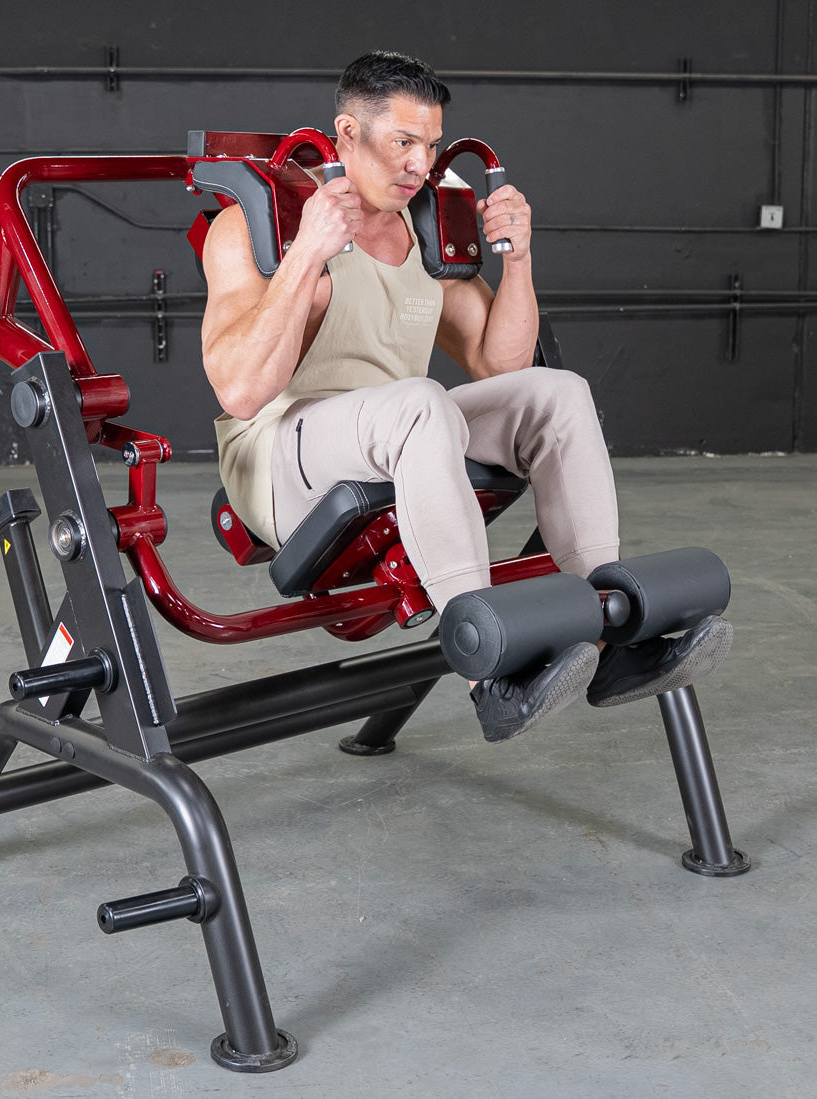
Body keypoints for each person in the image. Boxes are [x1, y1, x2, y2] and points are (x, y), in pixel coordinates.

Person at [200, 50, 730, 742]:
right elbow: (239, 389)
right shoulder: (255, 222)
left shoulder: (424, 228)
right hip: (278, 459)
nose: (420, 164)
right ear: (347, 135)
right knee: (419, 402)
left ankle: (611, 634)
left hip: (397, 431)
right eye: (402, 143)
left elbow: (496, 361)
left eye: (430, 145)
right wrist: (306, 255)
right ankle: (493, 678)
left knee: (558, 393)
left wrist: (520, 258)